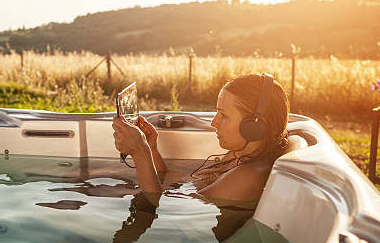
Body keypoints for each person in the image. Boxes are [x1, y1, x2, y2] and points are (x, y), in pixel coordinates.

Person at [112, 73, 290, 203]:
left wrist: (140, 152)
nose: (214, 123)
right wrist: (151, 150)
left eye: (224, 115)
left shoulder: (248, 176)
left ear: (254, 126)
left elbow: (162, 211)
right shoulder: (236, 156)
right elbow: (172, 187)